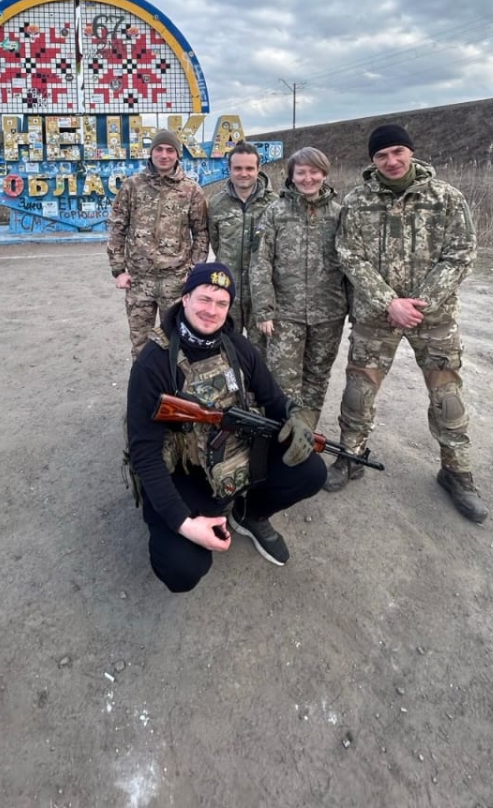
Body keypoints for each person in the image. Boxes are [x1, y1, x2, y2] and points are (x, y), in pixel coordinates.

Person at [126, 262, 328, 592]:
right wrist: (184, 523)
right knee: (181, 568)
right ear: (185, 298)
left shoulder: (237, 346)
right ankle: (195, 517)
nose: (212, 311)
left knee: (311, 471)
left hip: (236, 453)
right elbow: (145, 455)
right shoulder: (153, 363)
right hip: (186, 472)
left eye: (221, 303)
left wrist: (296, 417)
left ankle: (250, 514)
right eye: (204, 299)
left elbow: (273, 398)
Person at [330, 124, 487, 523]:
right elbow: (350, 256)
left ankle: (456, 472)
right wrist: (389, 302)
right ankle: (351, 456)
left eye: (397, 151)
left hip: (433, 318)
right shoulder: (357, 201)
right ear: (372, 160)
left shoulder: (446, 198)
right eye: (381, 155)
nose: (391, 161)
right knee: (358, 391)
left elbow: (461, 254)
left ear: (411, 152)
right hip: (376, 316)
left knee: (447, 397)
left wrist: (419, 303)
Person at [249, 147, 347, 438]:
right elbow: (260, 262)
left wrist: (354, 310)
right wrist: (264, 310)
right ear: (291, 176)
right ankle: (281, 438)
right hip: (285, 315)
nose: (308, 178)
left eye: (314, 172)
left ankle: (305, 437)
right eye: (301, 172)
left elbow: (351, 263)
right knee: (283, 380)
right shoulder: (275, 212)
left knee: (317, 379)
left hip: (329, 314)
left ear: (324, 174)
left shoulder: (339, 214)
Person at [107, 129, 210, 360]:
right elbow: (117, 228)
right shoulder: (132, 186)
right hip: (139, 281)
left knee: (177, 343)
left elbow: (201, 232)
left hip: (176, 282)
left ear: (178, 154)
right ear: (151, 152)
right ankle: (142, 384)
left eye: (170, 150)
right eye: (159, 149)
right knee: (141, 346)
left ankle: (174, 383)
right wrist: (119, 270)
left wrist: (194, 270)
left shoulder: (191, 190)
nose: (164, 155)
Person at [207, 141, 278, 353]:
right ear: (229, 169)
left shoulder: (274, 204)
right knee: (225, 351)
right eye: (237, 168)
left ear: (258, 169)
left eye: (249, 168)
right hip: (228, 292)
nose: (243, 173)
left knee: (260, 354)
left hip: (262, 295)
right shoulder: (216, 204)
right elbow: (216, 243)